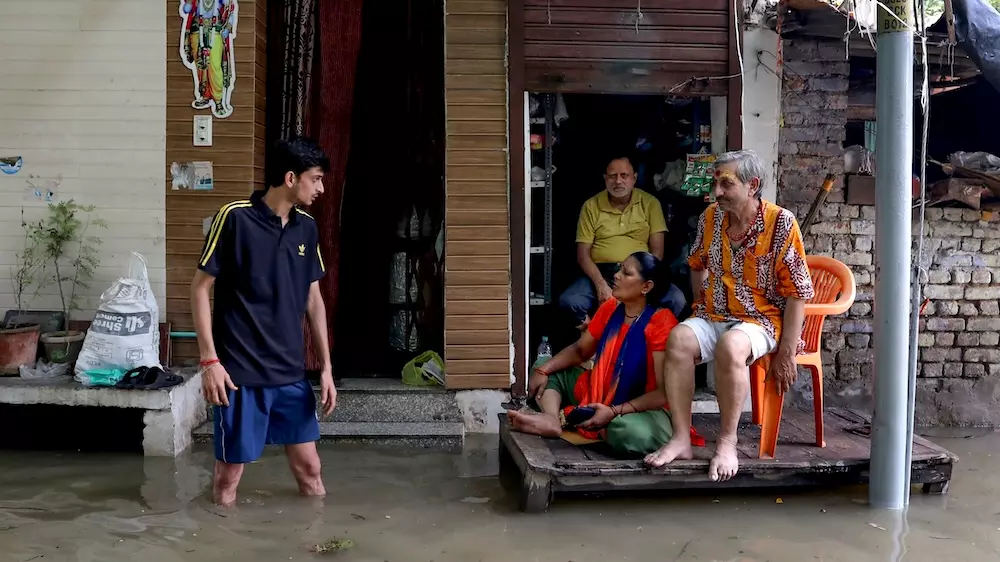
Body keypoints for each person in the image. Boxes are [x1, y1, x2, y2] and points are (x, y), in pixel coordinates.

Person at [644, 149, 815, 482]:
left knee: (731, 345)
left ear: (752, 185)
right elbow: (697, 264)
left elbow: (798, 292)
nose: (717, 192)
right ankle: (681, 438)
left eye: (726, 184)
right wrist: (700, 306)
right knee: (679, 337)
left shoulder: (781, 223)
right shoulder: (711, 217)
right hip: (715, 312)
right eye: (715, 184)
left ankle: (726, 442)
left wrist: (787, 352)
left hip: (761, 320)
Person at [191, 137, 337, 507]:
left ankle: (316, 532)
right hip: (240, 374)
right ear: (291, 178)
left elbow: (314, 300)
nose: (320, 188)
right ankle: (219, 534)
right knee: (228, 478)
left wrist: (325, 367)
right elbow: (200, 288)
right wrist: (210, 362)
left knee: (311, 469)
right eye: (316, 179)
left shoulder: (306, 227)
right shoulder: (234, 218)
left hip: (290, 372)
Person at [508, 251, 683, 457]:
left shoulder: (662, 322)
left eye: (626, 273)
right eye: (619, 269)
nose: (616, 275)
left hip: (643, 408)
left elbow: (662, 393)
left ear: (647, 286)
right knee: (545, 365)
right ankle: (552, 419)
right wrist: (543, 369)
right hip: (600, 393)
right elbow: (580, 350)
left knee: (626, 431)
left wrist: (613, 411)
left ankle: (591, 421)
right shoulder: (611, 308)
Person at [559, 157, 686, 329]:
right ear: (605, 179)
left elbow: (657, 252)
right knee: (570, 301)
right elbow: (583, 255)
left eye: (624, 175)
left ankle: (643, 334)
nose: (618, 181)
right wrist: (601, 285)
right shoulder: (591, 206)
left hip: (640, 272)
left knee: (676, 299)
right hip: (602, 272)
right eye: (613, 176)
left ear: (634, 178)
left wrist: (640, 281)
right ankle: (597, 335)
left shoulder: (650, 203)